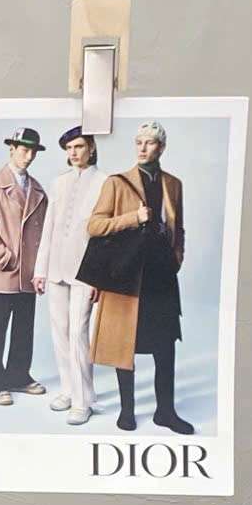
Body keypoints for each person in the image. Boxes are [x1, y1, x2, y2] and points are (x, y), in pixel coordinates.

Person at [86, 121, 191, 433]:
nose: (143, 148)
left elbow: (178, 229)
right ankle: (127, 411)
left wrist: (176, 258)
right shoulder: (117, 183)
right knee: (125, 343)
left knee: (165, 345)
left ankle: (166, 412)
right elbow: (94, 226)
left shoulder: (174, 184)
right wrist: (133, 217)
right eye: (139, 142)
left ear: (162, 147)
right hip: (127, 275)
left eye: (150, 142)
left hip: (161, 275)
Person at [0, 126, 49, 406]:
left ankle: (19, 376)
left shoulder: (37, 189)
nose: (29, 156)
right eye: (24, 150)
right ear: (12, 149)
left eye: (33, 151)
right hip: (4, 271)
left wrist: (41, 268)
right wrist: (5, 257)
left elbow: (45, 233)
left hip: (29, 274)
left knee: (24, 328)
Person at [33, 125, 104, 424]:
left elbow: (105, 237)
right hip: (56, 268)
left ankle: (83, 400)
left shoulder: (105, 182)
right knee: (60, 332)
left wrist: (99, 277)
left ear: (91, 148)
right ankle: (67, 389)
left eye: (79, 147)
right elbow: (48, 228)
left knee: (78, 334)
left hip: (86, 271)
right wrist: (40, 270)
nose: (74, 153)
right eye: (69, 148)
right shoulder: (59, 182)